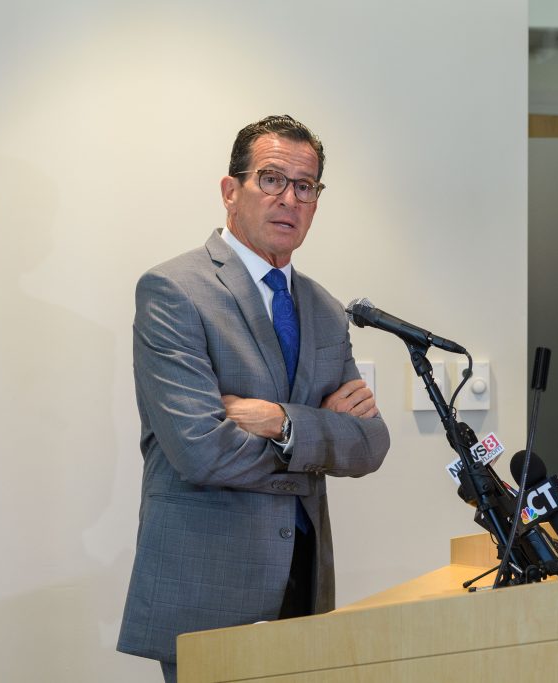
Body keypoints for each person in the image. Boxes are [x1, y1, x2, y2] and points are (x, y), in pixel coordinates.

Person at [117, 115, 390, 682]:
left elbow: (369, 445)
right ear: (229, 191)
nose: (288, 198)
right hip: (209, 586)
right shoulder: (174, 291)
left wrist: (278, 421)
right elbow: (200, 450)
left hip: (303, 583)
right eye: (270, 179)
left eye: (305, 186)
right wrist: (318, 437)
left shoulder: (322, 308)